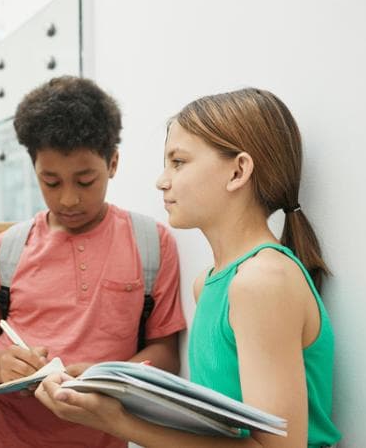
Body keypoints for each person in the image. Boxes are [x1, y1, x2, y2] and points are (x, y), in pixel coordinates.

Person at [36, 88, 342, 448]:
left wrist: (118, 420)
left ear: (238, 171)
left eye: (178, 162)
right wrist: (112, 388)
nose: (162, 180)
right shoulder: (209, 283)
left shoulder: (262, 282)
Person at [0, 76, 186, 447]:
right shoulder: (6, 249)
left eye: (85, 181)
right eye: (51, 182)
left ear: (113, 163)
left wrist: (112, 376)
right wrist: (1, 366)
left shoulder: (150, 244)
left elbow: (165, 351)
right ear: (34, 168)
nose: (69, 199)